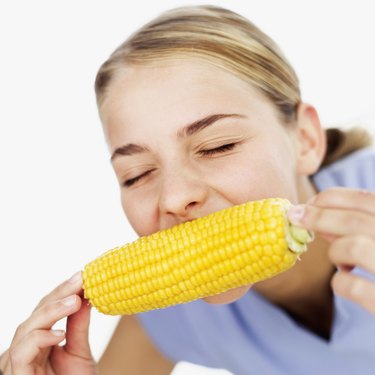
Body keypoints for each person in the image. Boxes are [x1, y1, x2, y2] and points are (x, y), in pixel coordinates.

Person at [1, 5, 375, 375]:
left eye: (217, 147)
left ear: (306, 140)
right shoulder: (169, 317)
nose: (175, 198)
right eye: (137, 174)